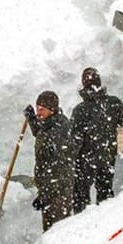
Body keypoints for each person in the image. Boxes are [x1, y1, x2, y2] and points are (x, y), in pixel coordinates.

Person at [70, 68, 123, 210]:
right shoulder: (114, 103)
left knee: (81, 195)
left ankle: (81, 224)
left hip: (86, 159)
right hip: (107, 155)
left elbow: (74, 137)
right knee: (105, 191)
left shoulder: (80, 110)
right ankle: (105, 220)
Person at [24, 90, 77, 231]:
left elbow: (57, 171)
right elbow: (41, 133)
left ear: (52, 109)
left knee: (57, 233)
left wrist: (44, 195)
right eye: (37, 108)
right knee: (52, 233)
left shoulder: (58, 132)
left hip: (58, 194)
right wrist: (32, 120)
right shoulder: (51, 123)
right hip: (52, 192)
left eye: (42, 109)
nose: (38, 112)